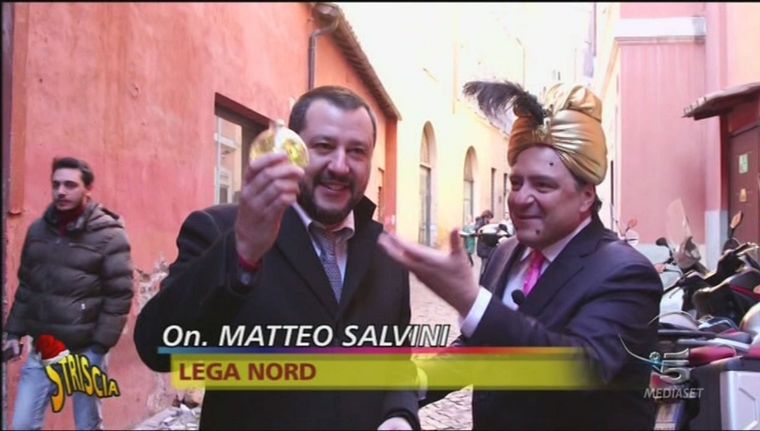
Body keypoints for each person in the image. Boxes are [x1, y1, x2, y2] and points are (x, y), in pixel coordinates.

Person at [378, 81, 663, 429]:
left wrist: (472, 301)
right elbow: (481, 346)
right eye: (516, 183)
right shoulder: (505, 253)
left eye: (542, 185)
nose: (521, 198)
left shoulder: (626, 273)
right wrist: (416, 383)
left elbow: (580, 370)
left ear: (586, 196)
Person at [134, 86, 419, 430]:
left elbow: (397, 360)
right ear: (291, 151)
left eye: (357, 151)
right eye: (323, 146)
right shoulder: (220, 231)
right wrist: (243, 252)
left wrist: (400, 414)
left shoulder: (388, 253)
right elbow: (159, 348)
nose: (340, 166)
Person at [3, 157, 134, 430]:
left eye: (70, 185)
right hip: (43, 350)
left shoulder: (110, 235)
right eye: (56, 185)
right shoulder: (38, 231)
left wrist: (99, 347)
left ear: (88, 190)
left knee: (87, 425)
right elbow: (27, 287)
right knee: (23, 424)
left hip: (85, 350)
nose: (61, 191)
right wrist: (14, 333)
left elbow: (119, 295)